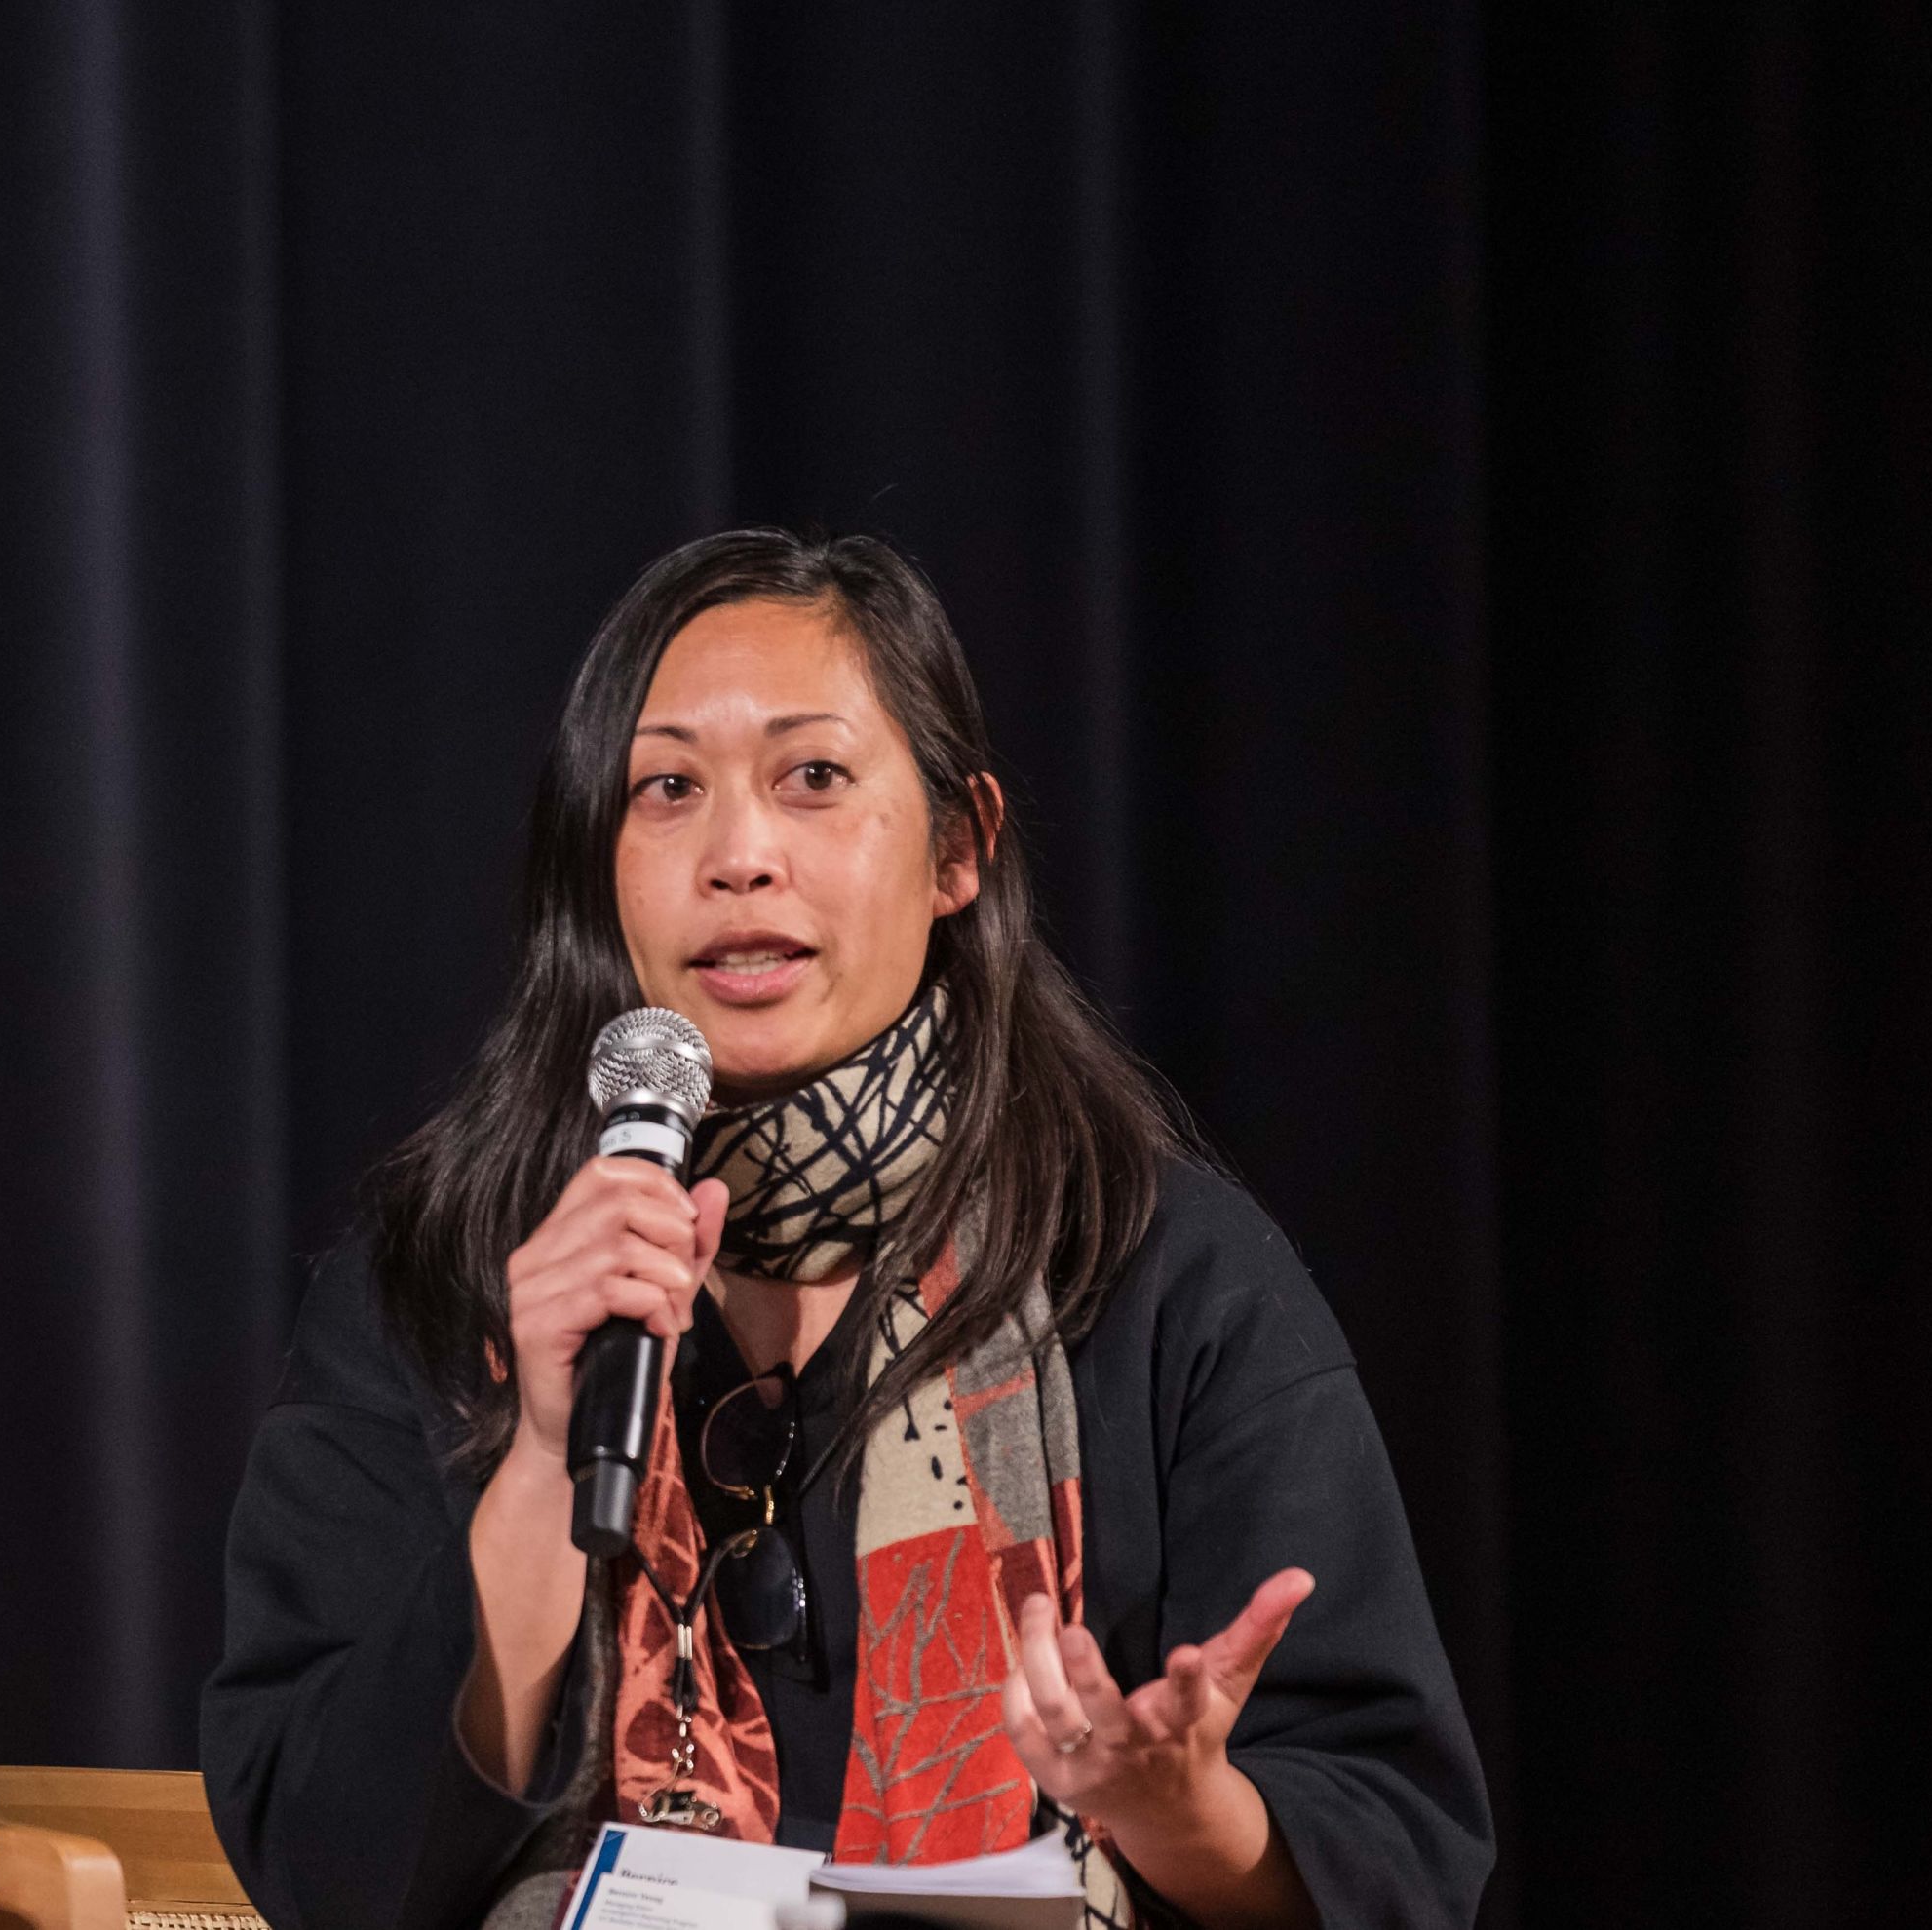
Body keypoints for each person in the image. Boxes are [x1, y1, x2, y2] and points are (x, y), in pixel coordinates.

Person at [201, 532, 1490, 1930]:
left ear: (958, 851)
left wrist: (1182, 1813)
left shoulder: (1160, 1268)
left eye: (814, 779)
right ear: (600, 862)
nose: (740, 856)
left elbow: (1402, 1864)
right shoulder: (442, 1280)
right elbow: (320, 1873)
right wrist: (534, 1472)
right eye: (668, 789)